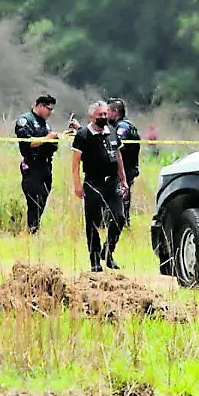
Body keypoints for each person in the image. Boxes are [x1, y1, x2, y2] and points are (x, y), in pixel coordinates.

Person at [72, 101, 128, 272]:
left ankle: (108, 252)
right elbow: (75, 165)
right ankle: (95, 260)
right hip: (93, 183)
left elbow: (118, 157)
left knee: (119, 217)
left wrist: (123, 180)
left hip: (112, 182)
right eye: (100, 115)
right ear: (91, 116)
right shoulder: (82, 135)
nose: (103, 117)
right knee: (92, 222)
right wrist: (77, 186)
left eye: (105, 114)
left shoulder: (112, 131)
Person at [16, 95, 74, 234]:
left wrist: (62, 135)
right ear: (40, 105)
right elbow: (27, 142)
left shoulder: (45, 123)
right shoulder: (26, 120)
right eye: (49, 109)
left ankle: (35, 228)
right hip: (32, 165)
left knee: (43, 197)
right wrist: (47, 138)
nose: (50, 113)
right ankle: (32, 230)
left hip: (46, 166)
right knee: (34, 200)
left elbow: (50, 140)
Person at [107, 97, 140, 227]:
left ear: (115, 112)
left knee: (121, 199)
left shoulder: (123, 127)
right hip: (121, 170)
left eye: (108, 111)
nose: (106, 114)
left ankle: (122, 224)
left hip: (125, 170)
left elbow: (115, 143)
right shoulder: (117, 126)